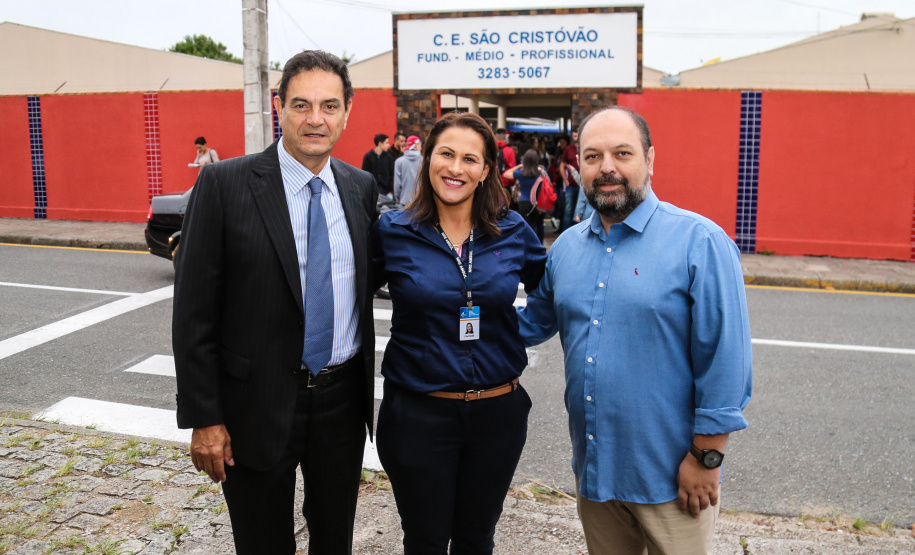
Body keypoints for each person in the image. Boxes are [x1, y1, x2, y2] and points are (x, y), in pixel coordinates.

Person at [517, 106, 753, 555]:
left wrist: (706, 458)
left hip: (675, 480)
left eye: (622, 153)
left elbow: (726, 361)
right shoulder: (565, 249)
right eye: (593, 156)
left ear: (650, 159)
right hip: (596, 473)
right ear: (580, 166)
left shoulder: (700, 242)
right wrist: (454, 304)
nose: (606, 167)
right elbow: (531, 323)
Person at [172, 50, 377, 554]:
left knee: (335, 541)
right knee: (262, 543)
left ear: (347, 112)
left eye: (329, 106)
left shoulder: (360, 187)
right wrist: (204, 417)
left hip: (342, 403)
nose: (315, 119)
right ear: (279, 107)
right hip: (254, 406)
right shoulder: (223, 185)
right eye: (301, 104)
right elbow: (194, 313)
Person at [372, 112, 547, 554]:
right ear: (428, 159)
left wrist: (517, 333)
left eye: (470, 159)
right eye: (446, 154)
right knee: (425, 540)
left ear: (486, 170)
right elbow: (347, 298)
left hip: (497, 415)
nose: (456, 168)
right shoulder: (393, 231)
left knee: (476, 539)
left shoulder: (512, 230)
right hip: (418, 415)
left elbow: (549, 289)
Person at [502, 148, 546, 243]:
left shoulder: (521, 173)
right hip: (538, 203)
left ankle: (527, 245)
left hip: (524, 202)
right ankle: (538, 244)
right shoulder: (540, 172)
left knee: (525, 226)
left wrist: (519, 166)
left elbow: (505, 174)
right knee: (538, 225)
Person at [558, 128, 580, 232]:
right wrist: (565, 180)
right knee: (568, 210)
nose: (576, 138)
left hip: (583, 186)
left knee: (580, 211)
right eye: (574, 136)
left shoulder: (584, 147)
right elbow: (561, 165)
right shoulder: (568, 149)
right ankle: (566, 233)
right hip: (571, 184)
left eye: (577, 136)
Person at [393, 135, 422, 206]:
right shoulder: (424, 161)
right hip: (421, 202)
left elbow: (397, 185)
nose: (421, 148)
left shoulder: (399, 162)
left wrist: (398, 200)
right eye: (419, 145)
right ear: (415, 146)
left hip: (404, 202)